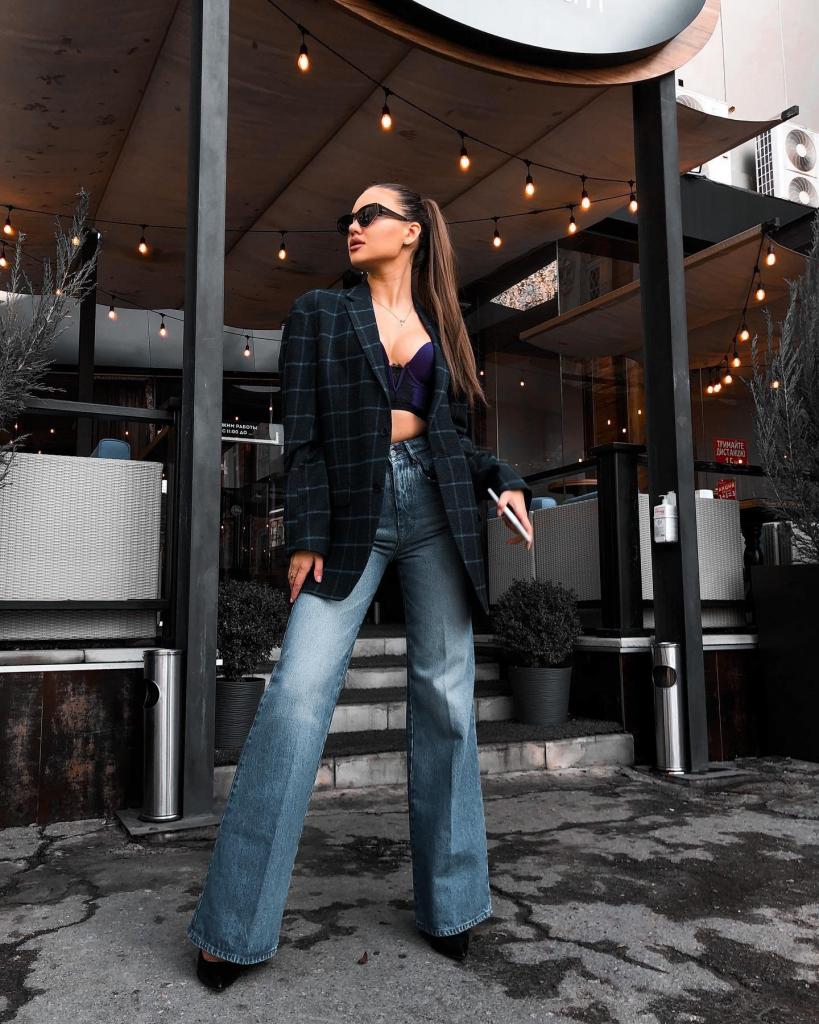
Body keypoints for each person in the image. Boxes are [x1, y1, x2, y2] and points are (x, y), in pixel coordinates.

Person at [187, 183, 534, 991]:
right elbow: (301, 432)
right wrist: (304, 533)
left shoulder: (443, 325)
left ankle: (452, 904)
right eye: (347, 215)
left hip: (436, 512)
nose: (352, 223)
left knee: (446, 700)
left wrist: (506, 478)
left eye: (369, 214)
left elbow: (453, 440)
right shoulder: (320, 312)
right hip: (351, 512)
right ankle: (233, 924)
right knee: (297, 695)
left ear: (410, 231)